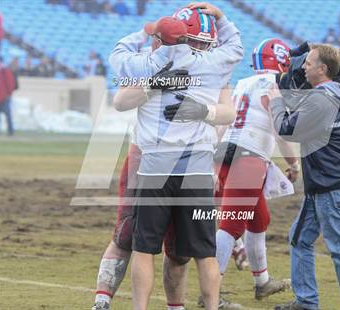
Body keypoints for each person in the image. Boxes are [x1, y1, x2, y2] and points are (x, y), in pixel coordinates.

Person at [100, 3, 243, 309]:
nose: (205, 45)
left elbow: (117, 56)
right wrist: (221, 16)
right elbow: (235, 46)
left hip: (156, 165)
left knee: (146, 249)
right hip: (196, 167)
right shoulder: (214, 65)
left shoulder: (147, 63)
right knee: (202, 252)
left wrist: (145, 33)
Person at [272, 44, 340, 310]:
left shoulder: (323, 98)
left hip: (330, 182)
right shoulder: (334, 93)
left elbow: (287, 129)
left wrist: (275, 101)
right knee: (299, 239)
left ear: (322, 69)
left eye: (309, 63)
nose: (303, 67)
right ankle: (306, 301)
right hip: (323, 180)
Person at [204, 38, 298, 307]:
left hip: (227, 150)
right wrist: (293, 164)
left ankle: (262, 282)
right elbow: (280, 130)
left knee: (258, 220)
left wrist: (213, 158)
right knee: (232, 224)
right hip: (249, 157)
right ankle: (212, 293)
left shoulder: (244, 84)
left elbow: (225, 122)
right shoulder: (275, 85)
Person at [0, 56, 16, 136]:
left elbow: (10, 84)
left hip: (4, 97)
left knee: (8, 115)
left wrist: (9, 94)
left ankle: (10, 131)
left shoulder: (5, 72)